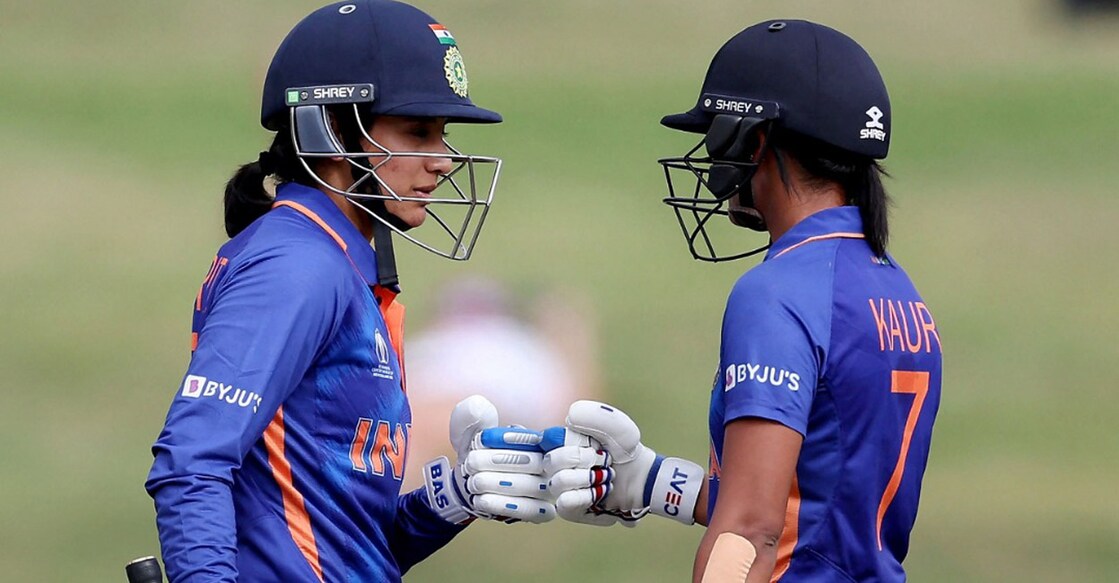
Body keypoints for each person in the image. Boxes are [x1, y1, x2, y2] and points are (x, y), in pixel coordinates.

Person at [144, 2, 558, 581]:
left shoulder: (339, 265)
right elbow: (191, 461)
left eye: (443, 133)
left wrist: (456, 497)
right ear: (330, 129)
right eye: (418, 131)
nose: (441, 160)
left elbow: (348, 546)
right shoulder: (297, 265)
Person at [543, 20, 944, 583]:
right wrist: (657, 482)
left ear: (754, 140)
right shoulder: (899, 290)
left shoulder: (777, 291)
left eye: (716, 135)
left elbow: (752, 530)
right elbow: (819, 504)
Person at [403, 275, 599, 488]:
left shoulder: (522, 347)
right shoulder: (431, 344)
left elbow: (572, 414)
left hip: (492, 419)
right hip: (431, 413)